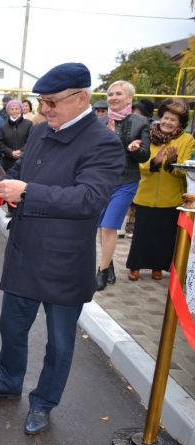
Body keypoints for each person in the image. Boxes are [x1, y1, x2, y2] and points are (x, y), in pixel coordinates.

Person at [0, 62, 124, 435]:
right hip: (25, 252)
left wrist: (28, 193)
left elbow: (88, 199)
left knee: (60, 343)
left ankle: (43, 403)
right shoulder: (41, 132)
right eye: (42, 101)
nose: (45, 109)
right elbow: (22, 176)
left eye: (52, 102)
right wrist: (1, 186)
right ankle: (7, 381)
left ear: (82, 97)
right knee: (12, 326)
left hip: (65, 261)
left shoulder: (103, 142)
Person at [126, 98, 195, 281]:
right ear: (160, 117)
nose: (168, 122)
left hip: (171, 197)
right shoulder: (147, 134)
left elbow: (186, 171)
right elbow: (139, 163)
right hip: (145, 195)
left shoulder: (186, 140)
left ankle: (158, 267)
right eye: (165, 117)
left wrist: (173, 164)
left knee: (164, 236)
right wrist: (154, 162)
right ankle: (135, 266)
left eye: (173, 119)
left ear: (180, 123)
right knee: (141, 234)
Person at [95, 81, 150, 291]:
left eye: (118, 94)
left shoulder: (140, 122)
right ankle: (107, 265)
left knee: (109, 225)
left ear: (129, 98)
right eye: (110, 94)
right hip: (102, 181)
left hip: (126, 180)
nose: (113, 97)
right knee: (102, 225)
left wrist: (136, 149)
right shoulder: (99, 122)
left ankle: (101, 271)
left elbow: (145, 156)